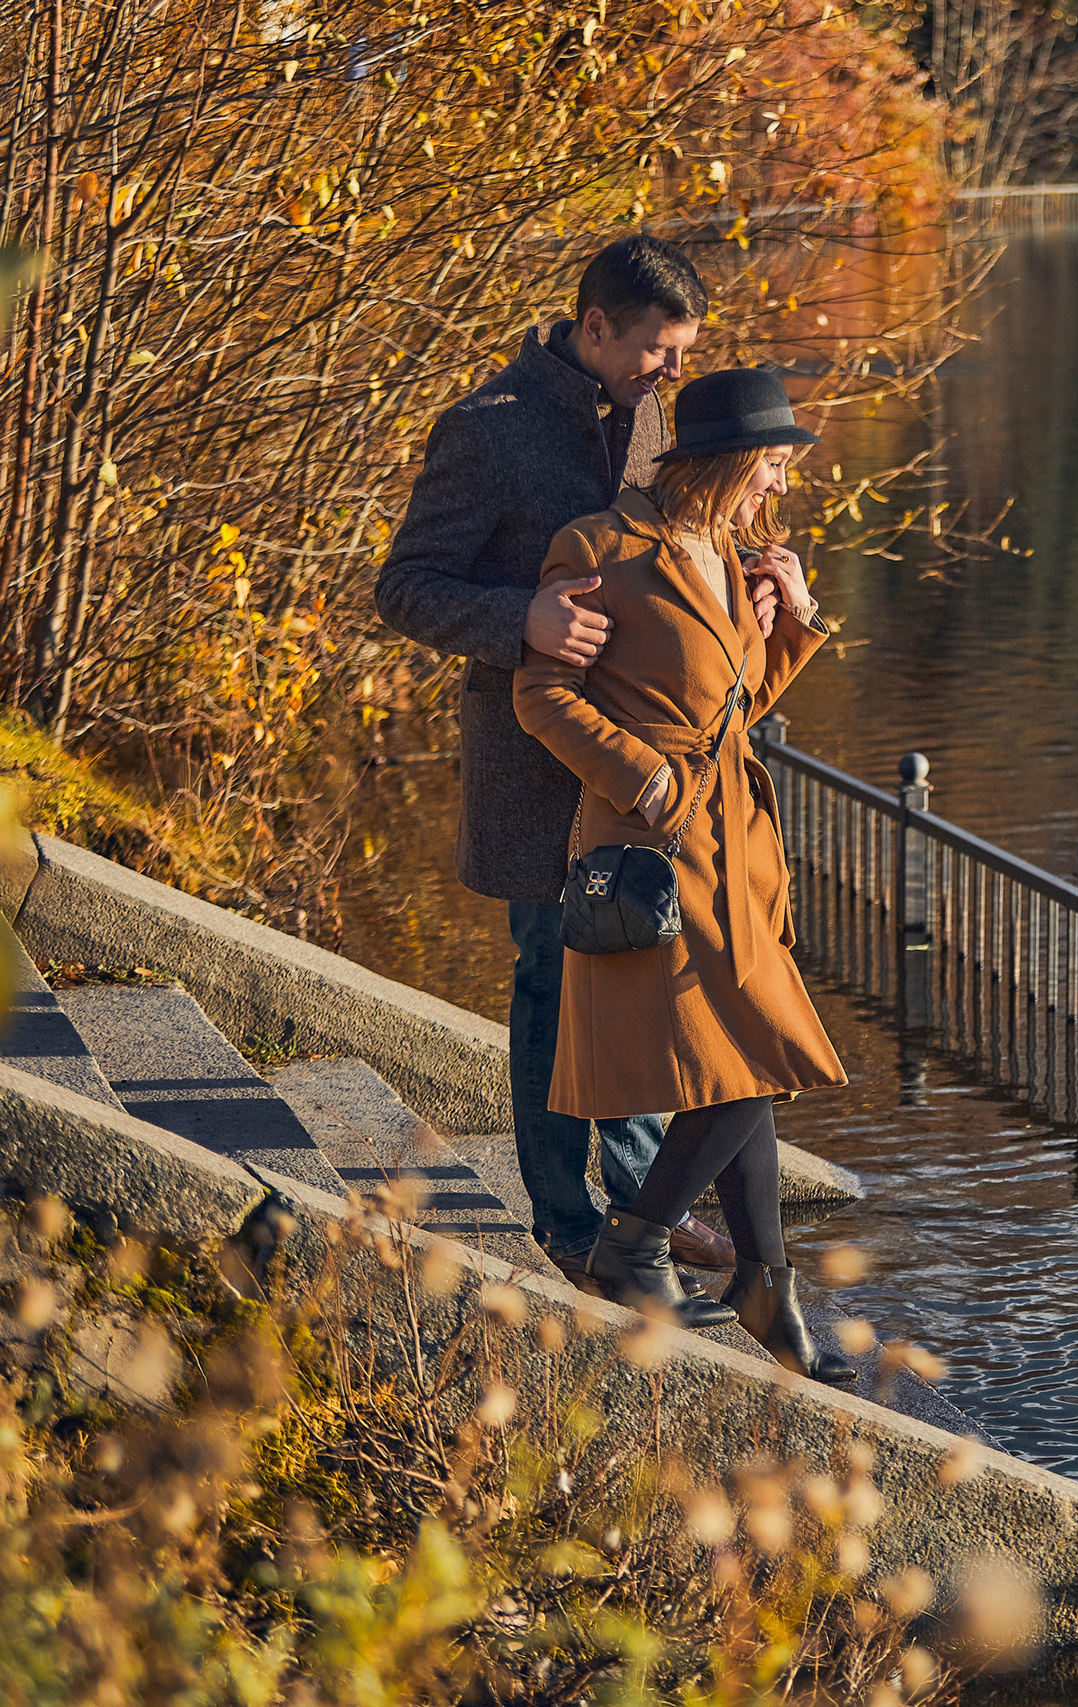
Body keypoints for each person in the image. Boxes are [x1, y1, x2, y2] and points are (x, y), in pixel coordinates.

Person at [375, 236, 744, 1289]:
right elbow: (404, 588)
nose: (672, 371)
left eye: (682, 353)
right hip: (536, 769)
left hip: (636, 767)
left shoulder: (655, 419)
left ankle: (642, 1203)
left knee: (636, 973)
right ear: (593, 328)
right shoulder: (483, 432)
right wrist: (520, 618)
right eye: (658, 350)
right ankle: (566, 1221)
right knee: (551, 982)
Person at [513, 366, 855, 1379]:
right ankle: (645, 1241)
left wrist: (793, 618)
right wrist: (648, 782)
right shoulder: (600, 548)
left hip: (740, 849)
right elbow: (542, 695)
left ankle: (759, 1278)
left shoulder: (737, 556)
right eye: (774, 467)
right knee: (760, 1054)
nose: (781, 490)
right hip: (656, 845)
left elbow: (734, 710)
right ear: (726, 460)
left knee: (743, 1062)